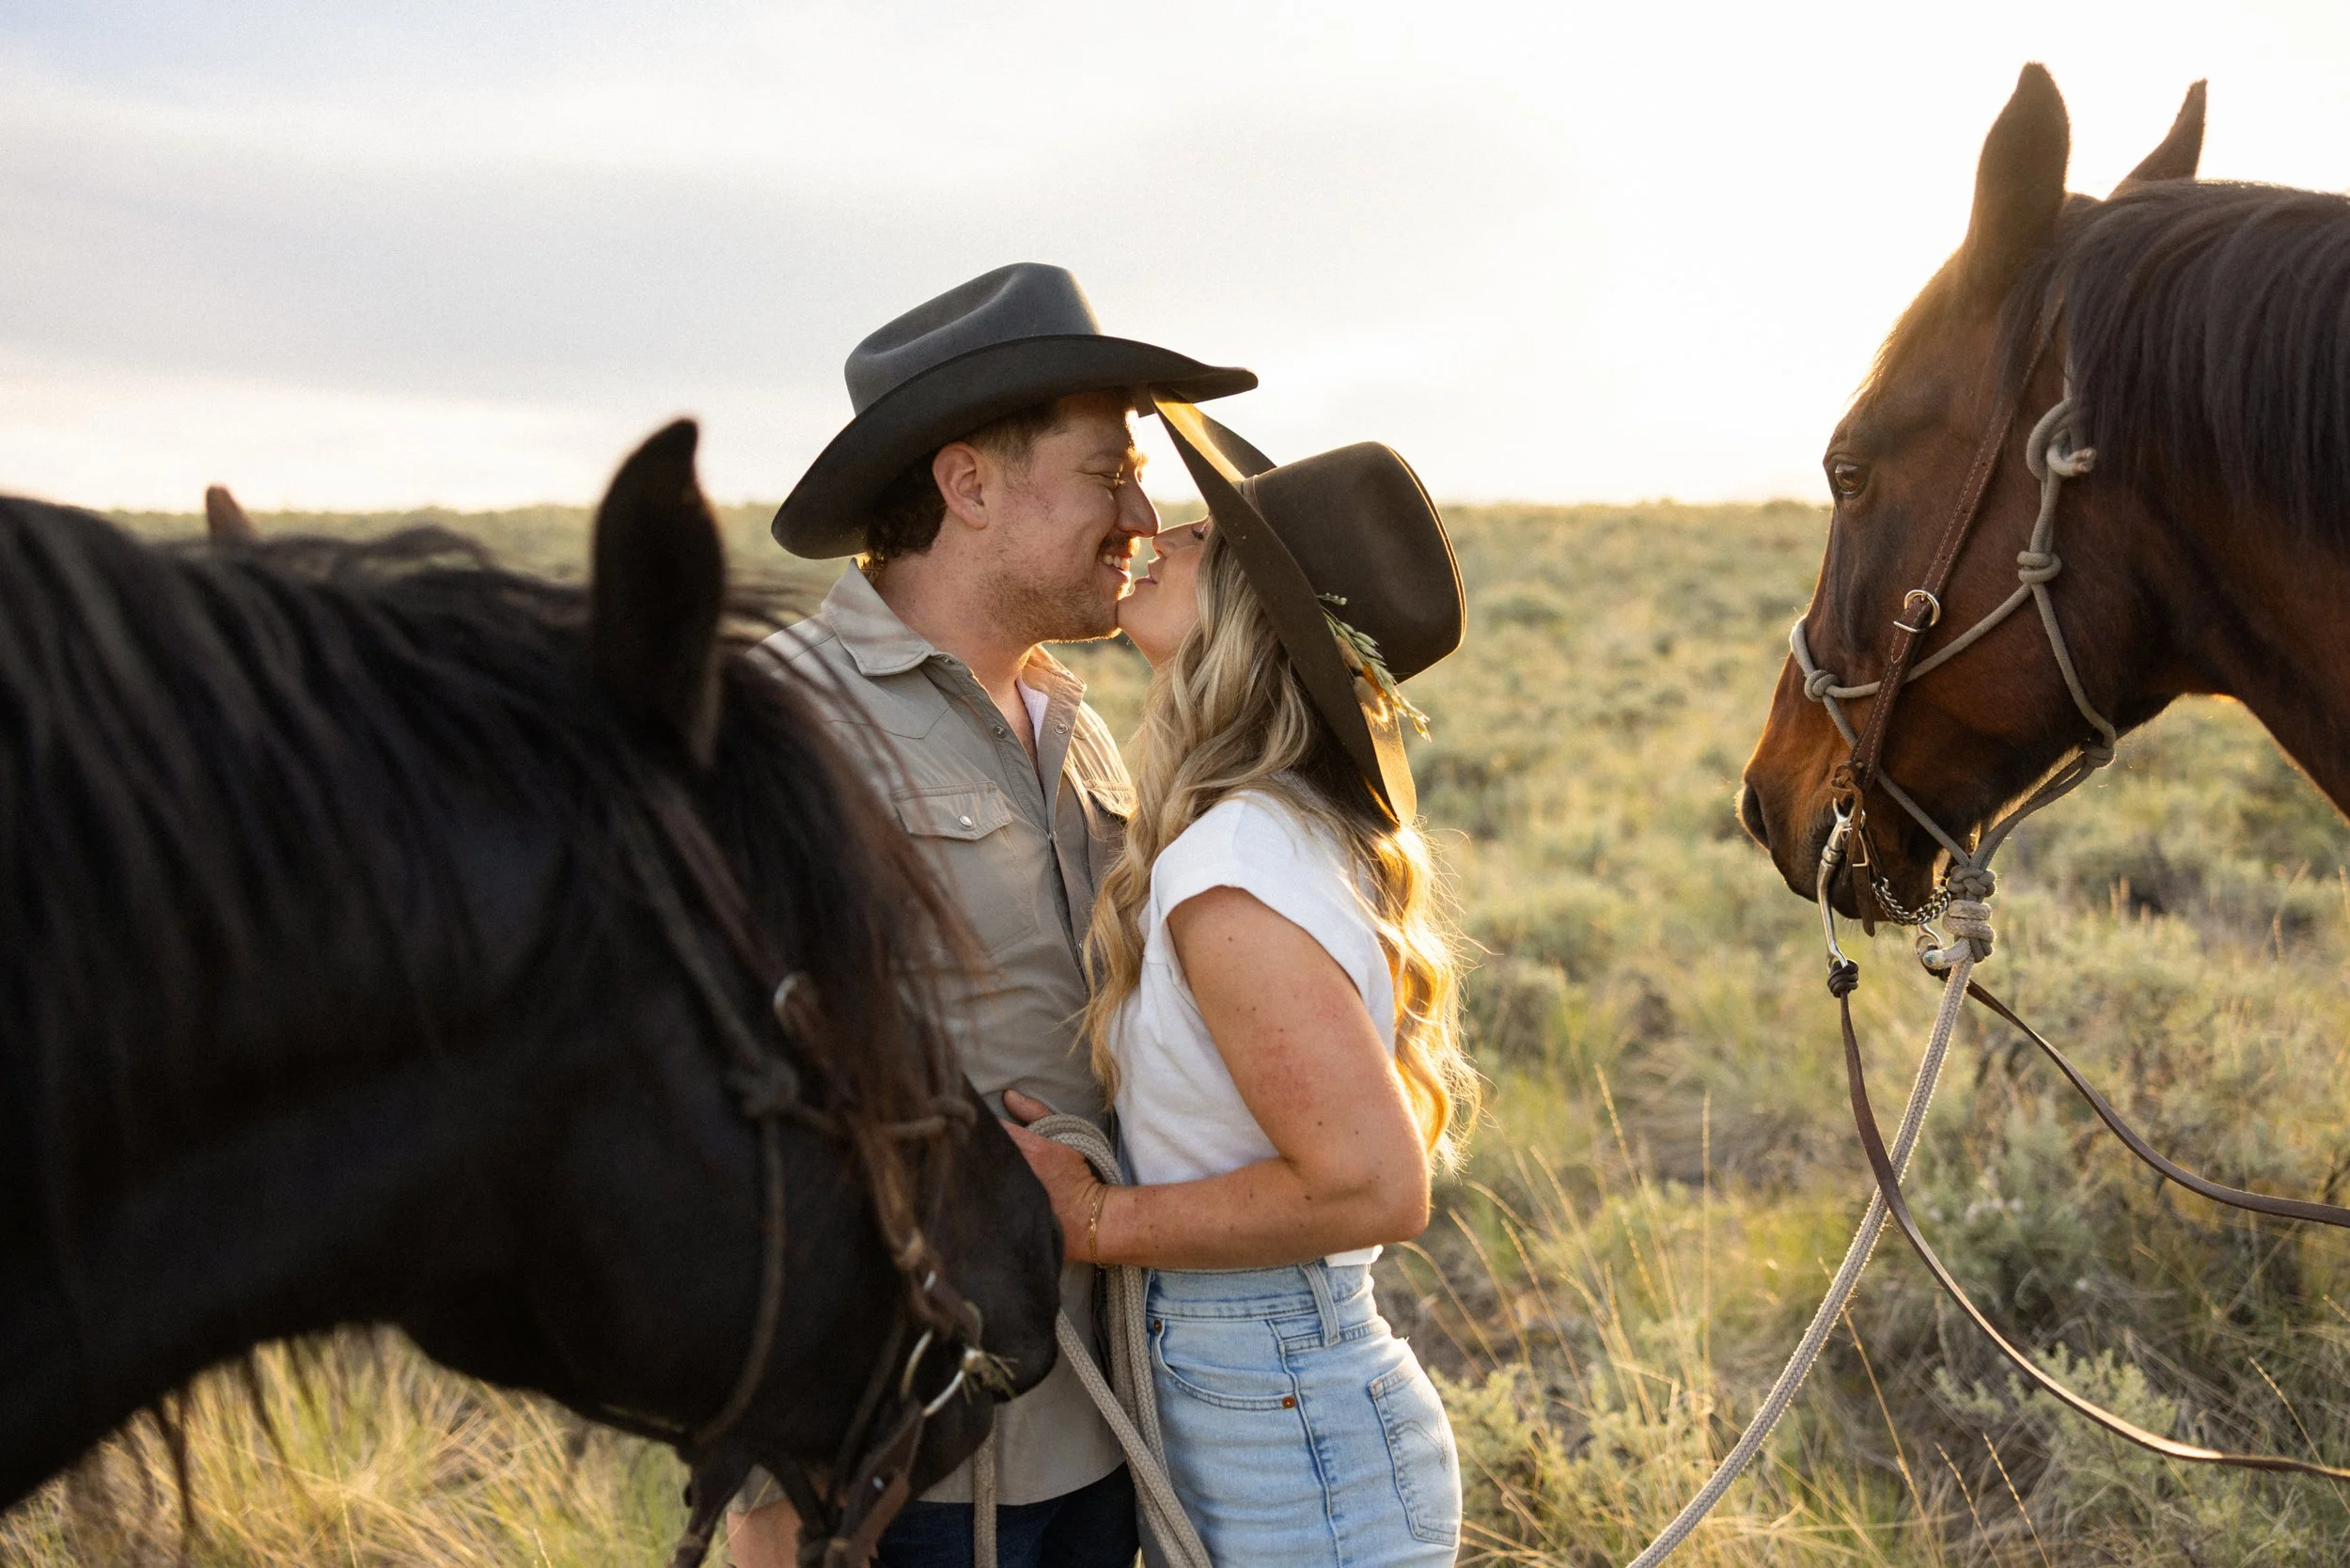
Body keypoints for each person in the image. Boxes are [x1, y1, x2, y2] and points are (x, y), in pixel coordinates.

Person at [731, 266, 1254, 1568]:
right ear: (968, 487)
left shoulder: (1079, 725)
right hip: (900, 1472)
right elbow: (728, 1132)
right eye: (1105, 473)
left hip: (1104, 1425)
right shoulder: (787, 728)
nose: (1142, 513)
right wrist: (768, 1512)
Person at [1005, 400, 1478, 1566]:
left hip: (1287, 1427)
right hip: (1278, 1401)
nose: (1158, 534)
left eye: (1209, 537)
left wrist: (1094, 1220)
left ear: (1254, 611)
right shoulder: (1266, 830)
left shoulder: (1230, 868)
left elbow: (1376, 1187)